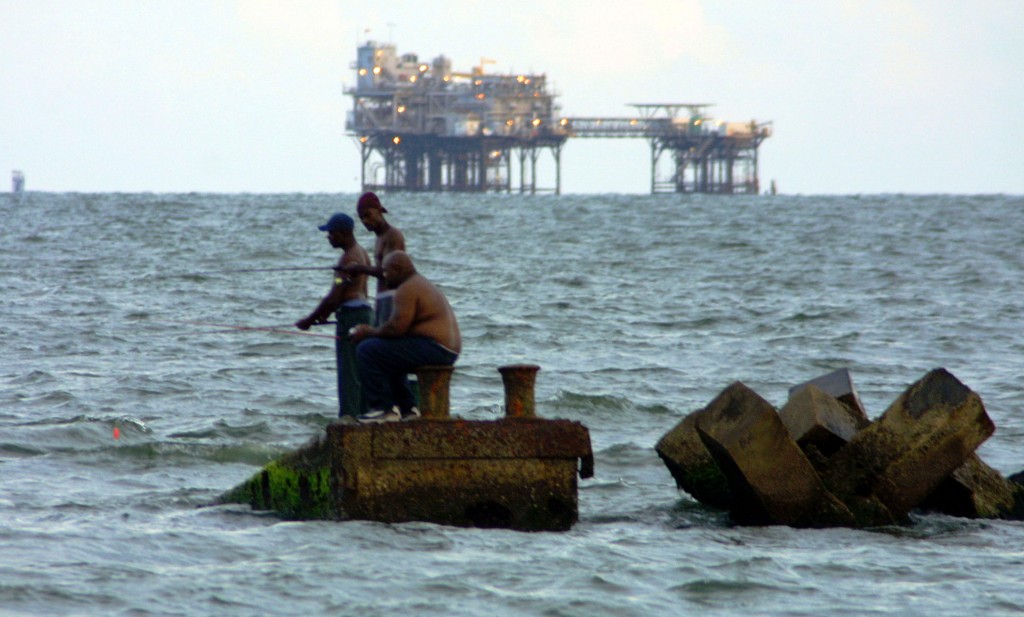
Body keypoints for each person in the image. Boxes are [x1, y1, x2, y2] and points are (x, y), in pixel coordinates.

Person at [349, 251, 461, 423]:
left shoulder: (407, 288)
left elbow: (396, 328)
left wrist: (368, 332)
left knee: (367, 349)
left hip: (436, 349)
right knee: (388, 352)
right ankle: (408, 408)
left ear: (398, 268)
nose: (384, 277)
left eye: (386, 272)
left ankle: (383, 408)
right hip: (446, 350)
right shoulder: (420, 283)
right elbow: (397, 332)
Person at [295, 212, 372, 418]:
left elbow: (334, 296)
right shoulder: (362, 252)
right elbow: (340, 294)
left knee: (349, 374)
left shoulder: (349, 258)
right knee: (360, 372)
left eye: (331, 233)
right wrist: (325, 313)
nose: (328, 237)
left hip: (352, 317)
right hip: (365, 313)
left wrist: (309, 320)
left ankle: (349, 419)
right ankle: (364, 416)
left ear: (344, 233)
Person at [339, 192, 406, 327]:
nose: (365, 221)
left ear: (379, 210)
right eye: (361, 217)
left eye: (368, 215)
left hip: (393, 298)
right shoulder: (379, 238)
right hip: (380, 299)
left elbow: (388, 273)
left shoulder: (393, 235)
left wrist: (359, 268)